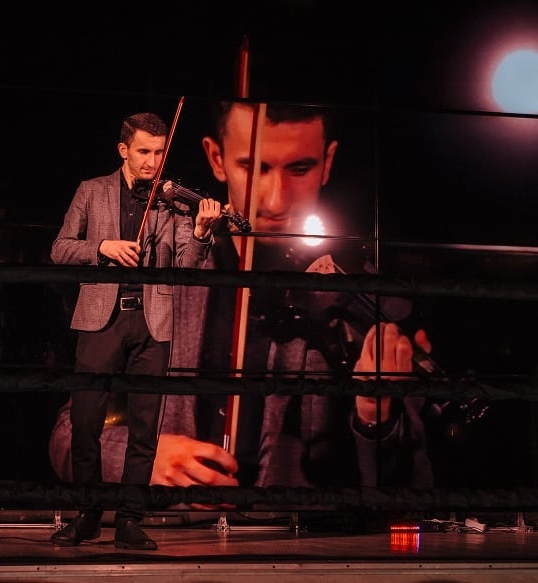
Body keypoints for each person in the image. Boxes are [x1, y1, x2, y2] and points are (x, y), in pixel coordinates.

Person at [49, 101, 433, 510]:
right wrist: (143, 459)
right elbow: (66, 437)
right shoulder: (165, 274)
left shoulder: (372, 301)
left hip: (297, 541)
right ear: (217, 159)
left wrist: (376, 417)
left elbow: (412, 482)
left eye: (299, 169)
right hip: (176, 538)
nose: (275, 200)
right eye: (253, 167)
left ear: (327, 163)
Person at [48, 111, 221, 548]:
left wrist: (201, 232)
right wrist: (103, 248)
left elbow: (186, 266)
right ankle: (87, 515)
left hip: (151, 320)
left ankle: (129, 520)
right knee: (86, 422)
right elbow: (60, 249)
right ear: (123, 150)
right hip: (100, 318)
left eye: (159, 152)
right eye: (144, 151)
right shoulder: (92, 190)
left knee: (145, 429)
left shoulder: (172, 202)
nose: (152, 162)